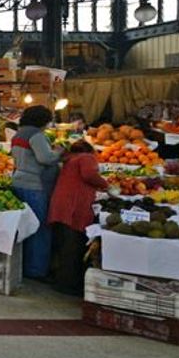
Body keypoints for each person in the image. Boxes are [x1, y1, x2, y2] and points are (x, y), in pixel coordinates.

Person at [47, 141, 107, 295]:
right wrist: (106, 184)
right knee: (73, 246)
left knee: (63, 244)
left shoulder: (69, 159)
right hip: (74, 207)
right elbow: (89, 175)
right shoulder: (86, 158)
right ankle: (68, 284)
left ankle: (60, 279)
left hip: (61, 204)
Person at [10, 104, 62, 279]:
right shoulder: (36, 135)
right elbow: (45, 158)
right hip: (35, 185)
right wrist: (59, 152)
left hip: (18, 182)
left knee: (24, 226)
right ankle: (37, 270)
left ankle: (23, 265)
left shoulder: (18, 133)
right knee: (39, 228)